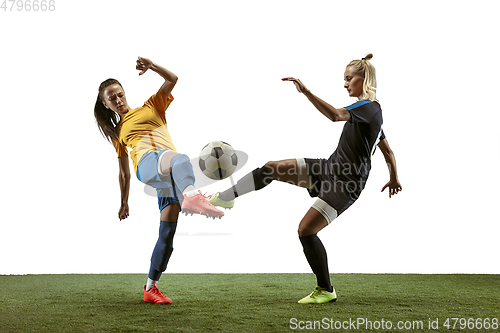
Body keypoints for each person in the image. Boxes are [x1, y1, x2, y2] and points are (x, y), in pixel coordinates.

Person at [208, 53, 402, 304]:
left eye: (348, 78)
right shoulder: (370, 112)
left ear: (363, 78)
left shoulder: (369, 108)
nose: (345, 84)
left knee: (306, 230)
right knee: (270, 168)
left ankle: (326, 289)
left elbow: (334, 115)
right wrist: (394, 177)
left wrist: (306, 92)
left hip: (346, 184)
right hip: (328, 168)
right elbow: (387, 150)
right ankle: (226, 198)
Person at [94, 57, 224, 304]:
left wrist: (152, 66)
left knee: (167, 235)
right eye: (112, 98)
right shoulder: (118, 133)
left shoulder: (152, 106)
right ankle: (193, 196)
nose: (118, 100)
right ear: (105, 103)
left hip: (169, 176)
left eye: (120, 94)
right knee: (180, 159)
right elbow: (123, 172)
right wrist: (124, 202)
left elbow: (172, 79)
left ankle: (151, 287)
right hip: (148, 166)